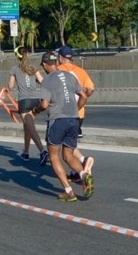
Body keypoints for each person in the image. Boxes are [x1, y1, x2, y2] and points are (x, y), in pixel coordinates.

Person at [37, 51, 93, 201]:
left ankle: (69, 192)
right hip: (74, 120)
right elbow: (84, 95)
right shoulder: (69, 75)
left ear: (44, 65)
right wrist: (76, 108)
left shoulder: (47, 80)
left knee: (54, 156)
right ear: (56, 62)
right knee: (68, 155)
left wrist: (36, 110)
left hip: (57, 120)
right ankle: (83, 175)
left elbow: (44, 104)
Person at [8, 55, 45, 161]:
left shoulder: (14, 69)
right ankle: (26, 152)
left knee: (30, 127)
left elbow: (11, 86)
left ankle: (42, 150)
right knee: (28, 126)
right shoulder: (33, 67)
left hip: (24, 100)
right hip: (35, 100)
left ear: (17, 57)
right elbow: (42, 81)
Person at [55, 46, 94, 138]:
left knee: (60, 142)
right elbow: (91, 89)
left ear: (60, 57)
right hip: (79, 113)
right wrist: (81, 101)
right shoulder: (81, 71)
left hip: (62, 114)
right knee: (71, 144)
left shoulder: (57, 70)